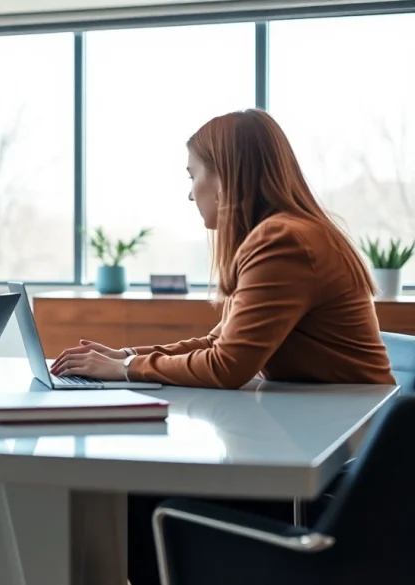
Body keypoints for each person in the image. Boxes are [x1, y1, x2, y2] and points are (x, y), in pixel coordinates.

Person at [47, 109, 396, 585]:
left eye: (194, 175)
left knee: (140, 492)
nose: (190, 192)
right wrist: (125, 359)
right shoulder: (285, 232)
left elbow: (228, 365)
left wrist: (128, 371)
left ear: (226, 176)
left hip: (340, 468)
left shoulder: (283, 240)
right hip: (340, 444)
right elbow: (222, 342)